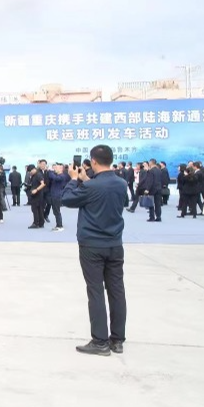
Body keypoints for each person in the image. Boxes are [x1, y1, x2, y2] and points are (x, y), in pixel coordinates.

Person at [61, 144, 129, 356]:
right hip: (115, 244)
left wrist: (73, 179)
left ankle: (100, 341)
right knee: (117, 290)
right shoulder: (121, 183)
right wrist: (86, 181)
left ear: (94, 162)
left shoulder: (90, 187)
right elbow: (105, 194)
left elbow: (67, 199)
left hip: (92, 245)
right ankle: (117, 339)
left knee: (96, 290)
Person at [45, 163, 70, 232]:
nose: (54, 169)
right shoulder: (58, 175)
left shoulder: (62, 176)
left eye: (56, 168)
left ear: (61, 169)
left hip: (57, 196)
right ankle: (58, 225)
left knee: (57, 211)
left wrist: (50, 171)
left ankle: (60, 225)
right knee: (55, 211)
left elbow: (54, 177)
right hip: (54, 195)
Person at [27, 164, 47, 229]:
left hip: (37, 195)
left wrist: (36, 189)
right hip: (37, 195)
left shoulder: (38, 175)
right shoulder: (34, 175)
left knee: (35, 209)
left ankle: (36, 223)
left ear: (33, 169)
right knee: (39, 209)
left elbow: (43, 184)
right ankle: (41, 223)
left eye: (30, 171)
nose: (30, 172)